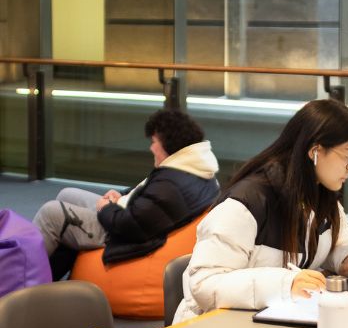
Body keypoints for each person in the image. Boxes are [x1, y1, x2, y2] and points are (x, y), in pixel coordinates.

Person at [172, 99, 348, 324]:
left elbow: (333, 243)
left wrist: (347, 259)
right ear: (316, 151)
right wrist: (286, 284)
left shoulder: (322, 196)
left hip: (266, 323)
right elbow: (204, 284)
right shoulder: (247, 203)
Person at [33, 109, 220, 279]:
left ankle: (19, 284)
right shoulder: (191, 168)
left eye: (154, 142)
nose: (151, 148)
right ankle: (50, 274)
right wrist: (120, 196)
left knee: (51, 214)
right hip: (137, 221)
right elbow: (149, 196)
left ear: (168, 145)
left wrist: (106, 208)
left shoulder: (170, 183)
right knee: (68, 194)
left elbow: (132, 225)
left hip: (123, 236)